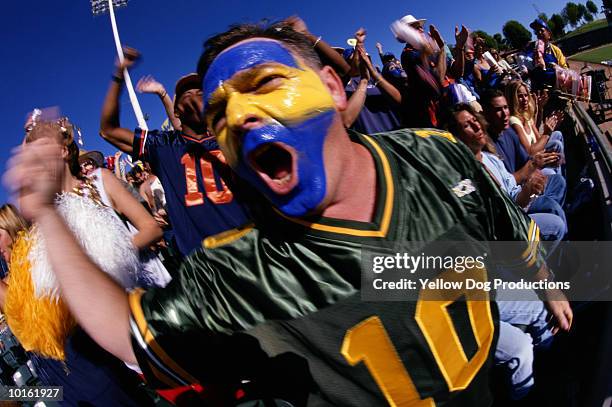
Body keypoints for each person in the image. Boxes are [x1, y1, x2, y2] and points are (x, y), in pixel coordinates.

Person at [5, 22, 572, 406]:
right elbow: (128, 334)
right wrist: (48, 218)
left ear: (329, 86)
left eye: (266, 84)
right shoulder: (237, 271)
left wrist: (550, 285)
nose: (242, 115)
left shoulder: (431, 152)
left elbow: (510, 233)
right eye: (222, 110)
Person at [1, 118, 161, 405]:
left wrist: (104, 256)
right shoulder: (47, 218)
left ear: (63, 151)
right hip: (101, 334)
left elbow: (150, 227)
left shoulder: (99, 181)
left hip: (147, 307)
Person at [100, 49, 250, 256]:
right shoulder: (164, 145)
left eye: (200, 92)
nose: (195, 97)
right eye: (187, 94)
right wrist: (119, 75)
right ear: (177, 110)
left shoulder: (230, 136)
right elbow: (109, 131)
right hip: (204, 261)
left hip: (254, 247)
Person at [446, 103, 566, 241]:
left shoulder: (491, 158)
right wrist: (532, 168)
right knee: (556, 223)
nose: (476, 126)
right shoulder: (464, 176)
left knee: (556, 187)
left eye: (474, 120)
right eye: (467, 126)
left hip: (516, 211)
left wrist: (529, 190)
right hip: (504, 232)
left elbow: (513, 197)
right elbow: (495, 219)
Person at [506, 80, 565, 162]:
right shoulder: (513, 121)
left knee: (558, 134)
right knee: (556, 145)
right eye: (520, 96)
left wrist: (550, 127)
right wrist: (547, 133)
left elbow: (539, 139)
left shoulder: (526, 115)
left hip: (539, 154)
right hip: (532, 163)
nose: (525, 99)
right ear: (512, 99)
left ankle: (558, 167)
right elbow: (529, 153)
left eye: (526, 95)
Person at [527, 18, 569, 90]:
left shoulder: (556, 50)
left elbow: (565, 69)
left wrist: (556, 67)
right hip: (541, 90)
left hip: (557, 88)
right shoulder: (532, 51)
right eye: (537, 32)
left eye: (542, 31)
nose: (539, 33)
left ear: (549, 34)